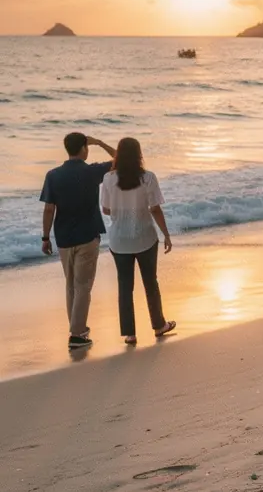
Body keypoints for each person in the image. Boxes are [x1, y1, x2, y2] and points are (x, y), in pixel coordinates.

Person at [40, 131, 115, 349]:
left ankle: (76, 328)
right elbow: (122, 159)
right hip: (87, 235)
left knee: (71, 285)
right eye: (88, 146)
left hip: (63, 237)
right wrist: (100, 142)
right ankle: (77, 333)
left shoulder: (53, 175)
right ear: (84, 148)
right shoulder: (92, 171)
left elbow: (48, 209)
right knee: (83, 285)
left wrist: (45, 237)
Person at [100, 138, 176, 345]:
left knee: (125, 286)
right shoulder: (148, 178)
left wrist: (121, 208)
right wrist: (166, 234)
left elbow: (106, 209)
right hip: (145, 236)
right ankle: (159, 325)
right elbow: (155, 208)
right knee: (150, 283)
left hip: (118, 240)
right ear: (139, 155)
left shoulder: (107, 179)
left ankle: (130, 334)